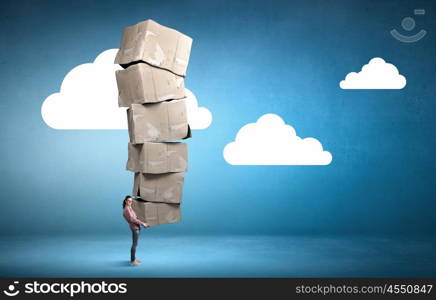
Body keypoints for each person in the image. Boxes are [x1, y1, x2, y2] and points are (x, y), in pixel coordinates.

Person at [122, 195, 149, 266]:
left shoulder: (129, 208)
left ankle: (133, 258)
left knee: (135, 244)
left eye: (131, 201)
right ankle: (132, 261)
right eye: (128, 201)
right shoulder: (127, 209)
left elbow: (135, 217)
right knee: (134, 244)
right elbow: (132, 219)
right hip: (135, 228)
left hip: (136, 226)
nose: (130, 202)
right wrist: (143, 223)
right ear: (125, 201)